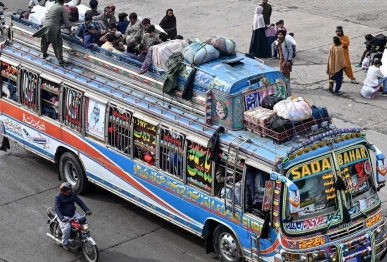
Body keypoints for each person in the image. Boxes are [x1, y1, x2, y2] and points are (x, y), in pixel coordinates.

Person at [32, 0, 72, 67]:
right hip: (54, 27)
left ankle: (44, 54)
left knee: (45, 40)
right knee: (57, 44)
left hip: (46, 25)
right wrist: (70, 32)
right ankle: (60, 61)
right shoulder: (62, 8)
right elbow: (67, 23)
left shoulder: (53, 6)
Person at [55, 182, 92, 250]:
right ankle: (65, 243)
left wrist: (87, 210)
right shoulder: (58, 197)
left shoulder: (72, 194)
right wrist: (62, 218)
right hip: (64, 216)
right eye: (68, 190)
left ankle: (83, 237)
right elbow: (57, 208)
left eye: (70, 189)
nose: (70, 191)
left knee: (83, 222)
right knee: (67, 228)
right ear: (64, 191)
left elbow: (80, 202)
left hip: (73, 214)